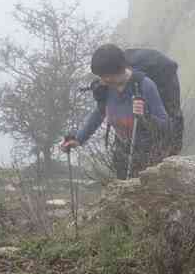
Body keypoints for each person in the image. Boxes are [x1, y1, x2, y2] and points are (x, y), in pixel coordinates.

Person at [60, 44, 170, 178]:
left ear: (119, 70)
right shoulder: (106, 88)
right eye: (100, 76)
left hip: (149, 160)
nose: (102, 80)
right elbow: (99, 113)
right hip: (122, 157)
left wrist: (145, 116)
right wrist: (78, 139)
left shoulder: (145, 86)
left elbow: (165, 125)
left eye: (105, 75)